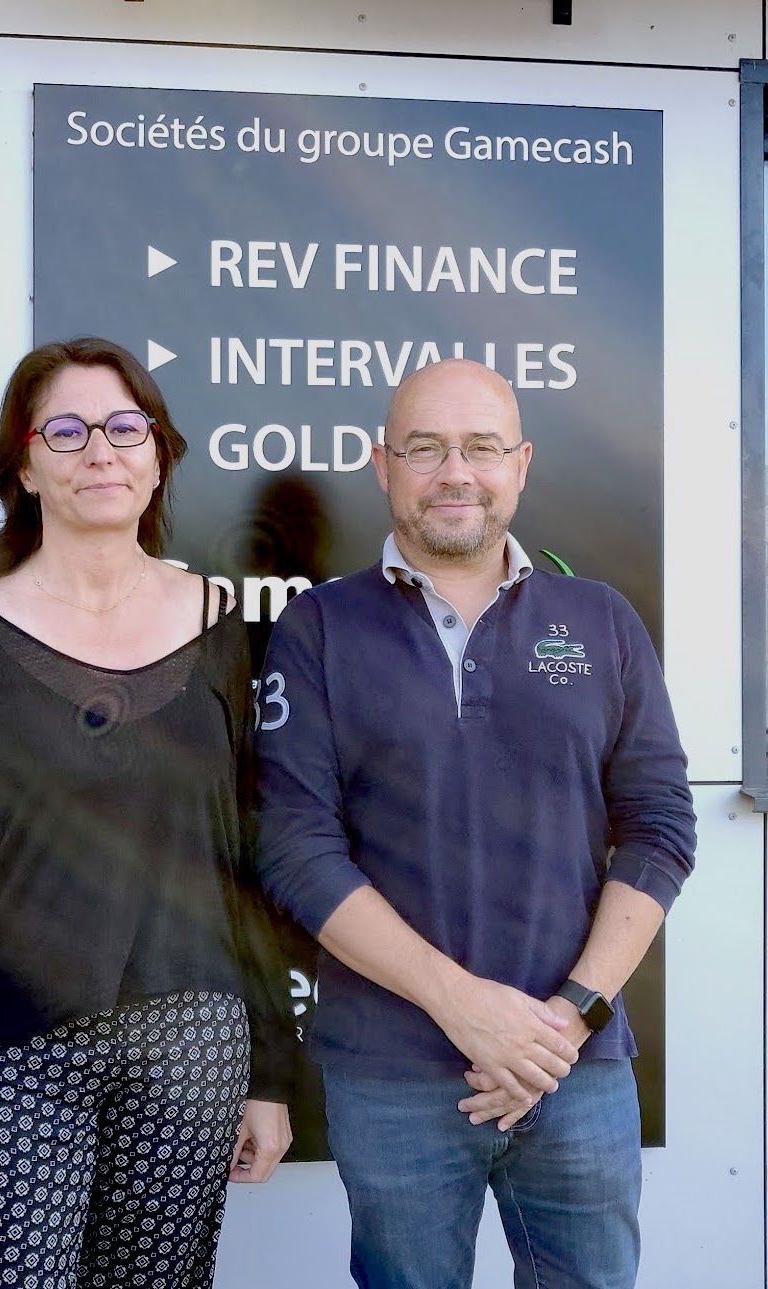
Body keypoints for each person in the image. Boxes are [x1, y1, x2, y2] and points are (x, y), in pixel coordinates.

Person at [254, 358, 696, 1289]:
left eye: (482, 447)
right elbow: (295, 847)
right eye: (425, 448)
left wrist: (565, 1020)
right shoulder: (318, 628)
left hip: (575, 1069)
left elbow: (659, 827)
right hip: (393, 1077)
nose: (455, 472)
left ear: (520, 464)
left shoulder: (602, 620)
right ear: (383, 465)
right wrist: (463, 1006)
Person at [0, 336, 294, 1288]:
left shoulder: (220, 626)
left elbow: (246, 861)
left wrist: (271, 1069)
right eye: (65, 430)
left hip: (192, 1047)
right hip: (10, 1058)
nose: (99, 450)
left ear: (158, 456)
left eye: (124, 427)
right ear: (24, 466)